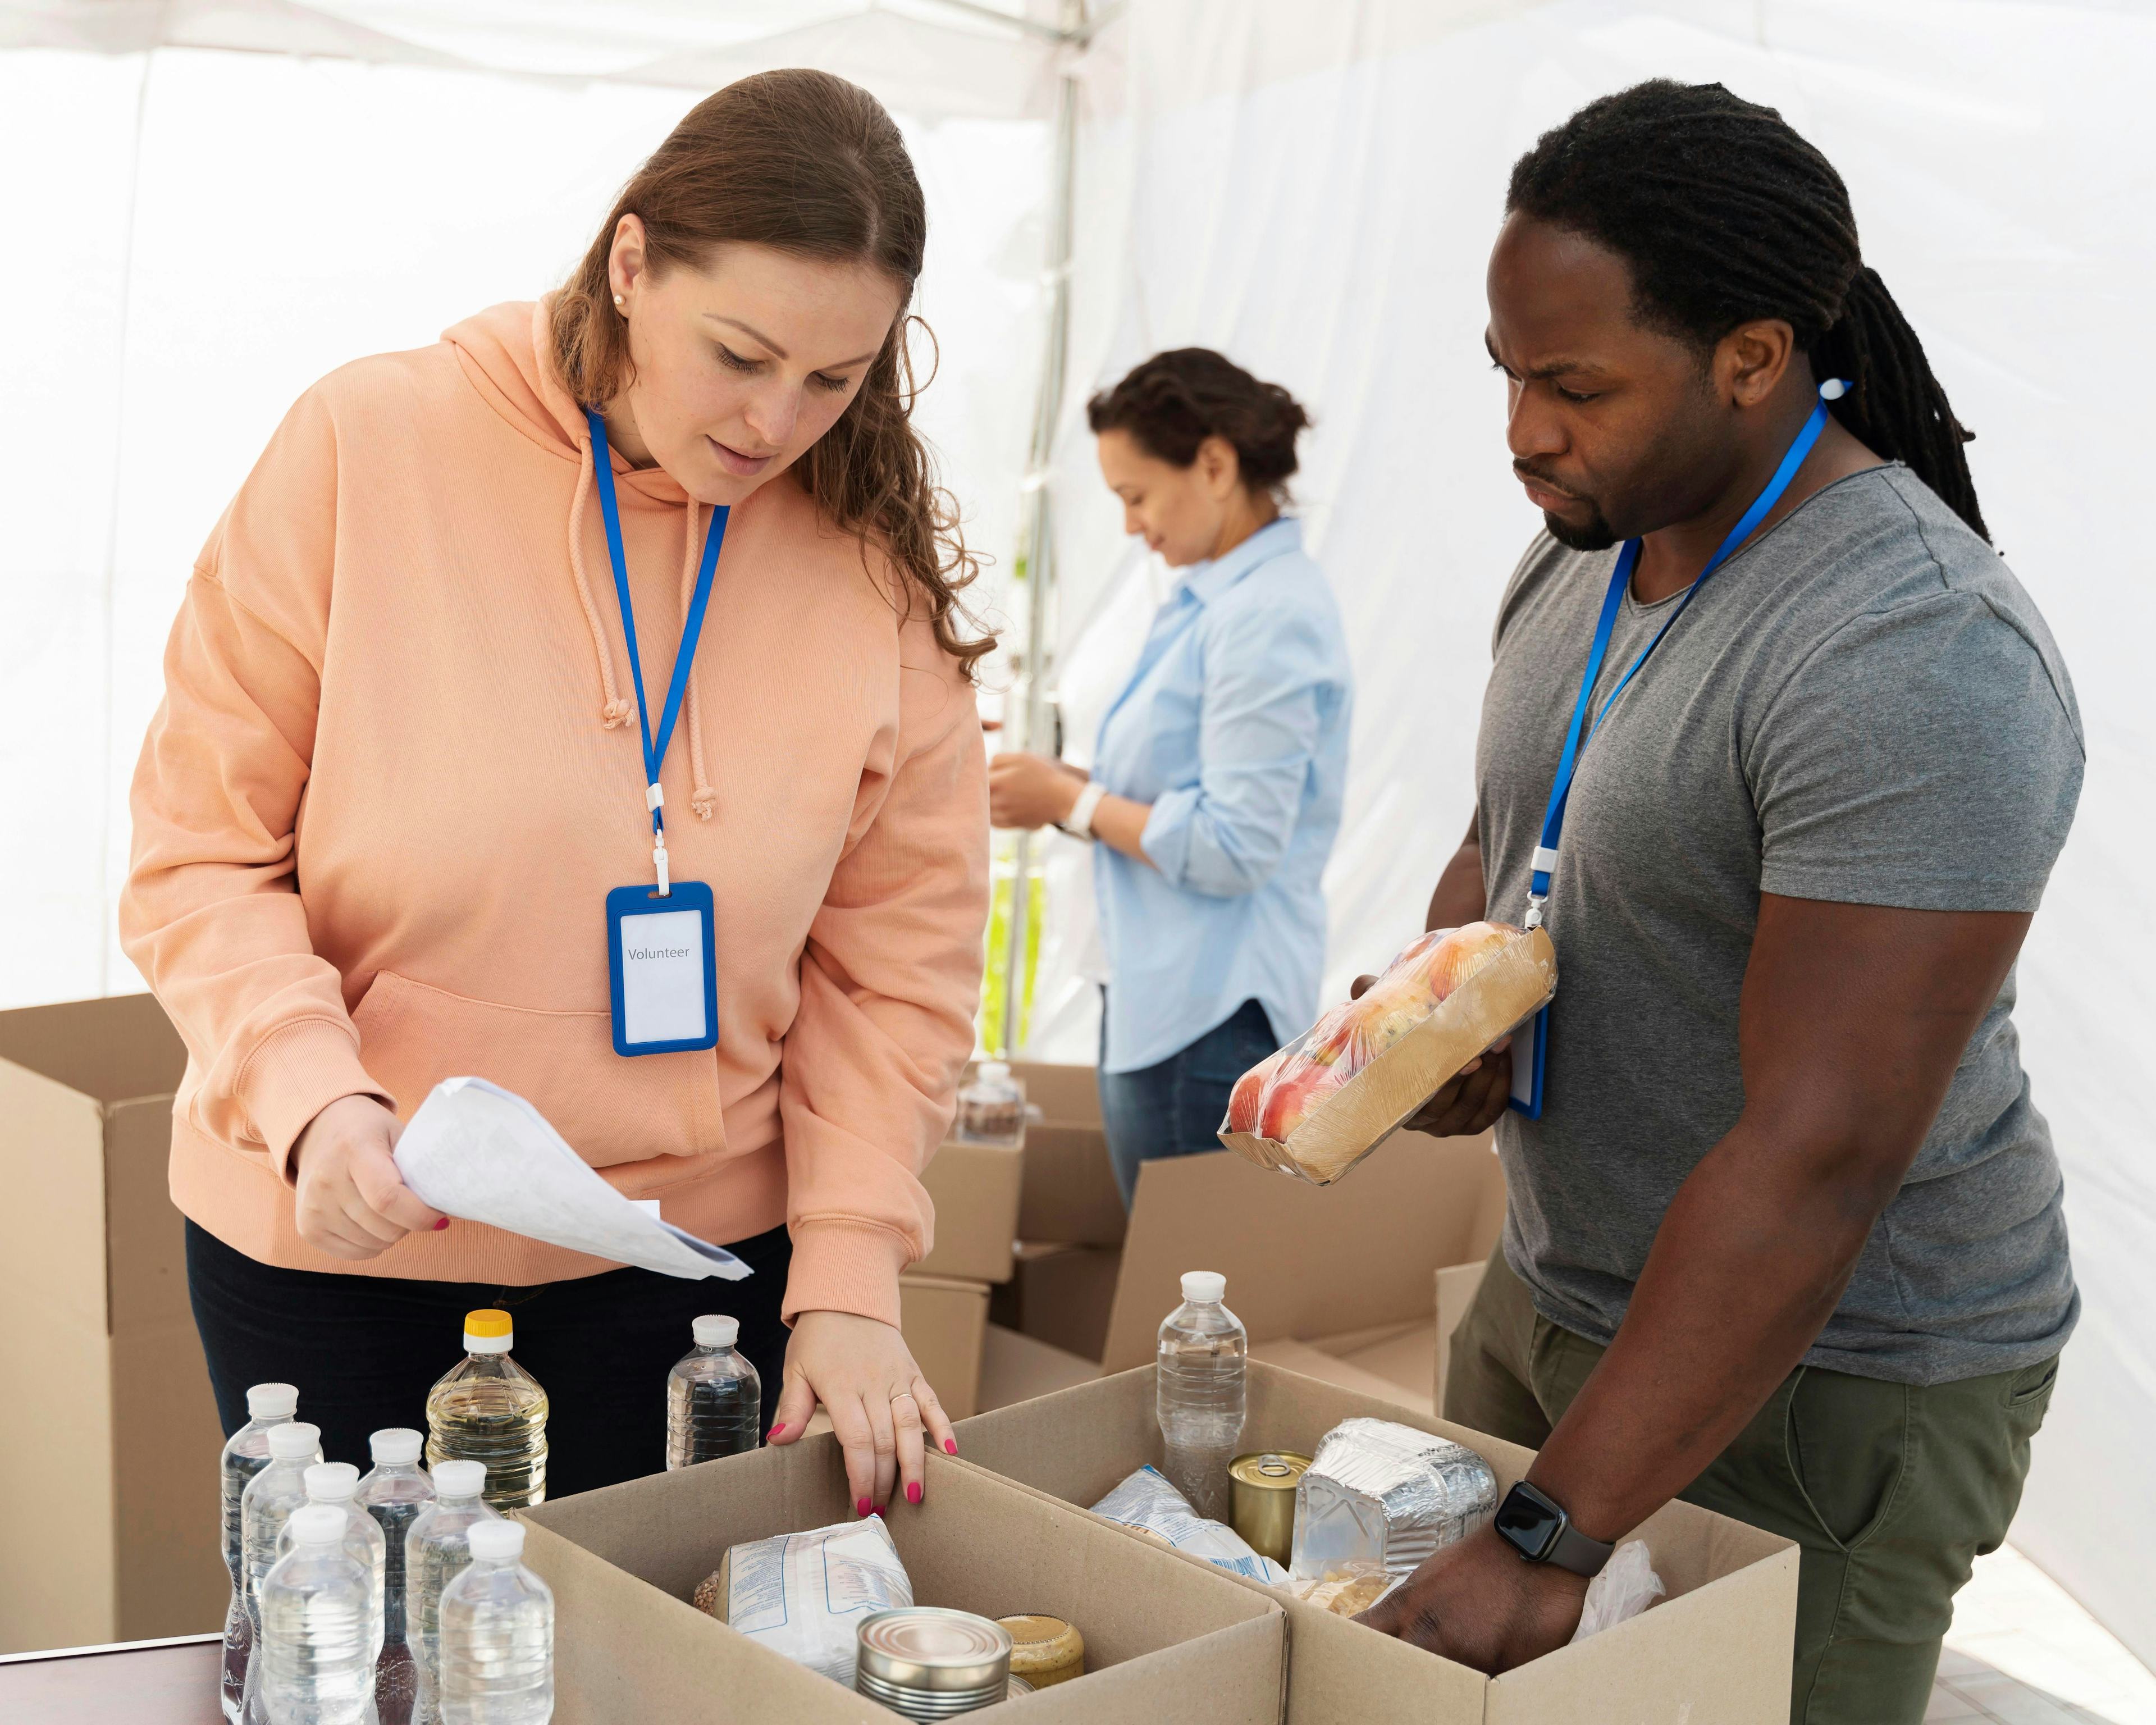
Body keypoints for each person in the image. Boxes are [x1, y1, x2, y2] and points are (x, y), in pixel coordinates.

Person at [121, 70, 990, 1515]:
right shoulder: (363, 445)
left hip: (687, 1278)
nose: (778, 422)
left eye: (836, 380)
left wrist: (849, 1268)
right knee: (375, 1662)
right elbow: (198, 853)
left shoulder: (866, 557)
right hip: (342, 1239)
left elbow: (895, 964)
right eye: (742, 354)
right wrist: (309, 1095)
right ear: (633, 264)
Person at [1356, 82, 2081, 1725]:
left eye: (1574, 384)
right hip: (1564, 1292)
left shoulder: (1913, 653)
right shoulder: (1590, 540)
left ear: (1752, 359)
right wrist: (1439, 1013)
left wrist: (1550, 1532)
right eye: (1511, 375)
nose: (1525, 430)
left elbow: (1818, 1156)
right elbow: (1517, 832)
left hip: (1836, 1378)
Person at [988, 350, 1353, 1205]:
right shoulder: (1217, 601)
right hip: (1171, 1003)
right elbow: (1178, 797)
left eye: (1136, 495)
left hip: (1206, 1017)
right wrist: (1061, 789)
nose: (1130, 526)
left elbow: (1235, 845)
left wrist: (1068, 799)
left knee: (1190, 1295)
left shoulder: (1265, 616)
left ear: (1216, 466)